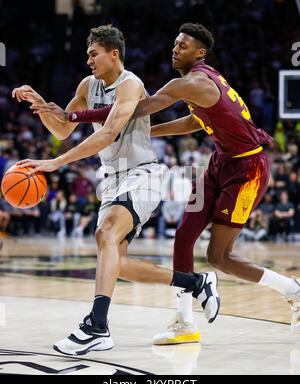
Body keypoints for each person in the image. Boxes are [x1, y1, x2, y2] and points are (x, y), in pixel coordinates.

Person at [36, 23, 300, 341]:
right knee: (183, 237)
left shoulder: (191, 81)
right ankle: (186, 322)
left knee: (220, 257)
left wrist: (74, 117)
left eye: (182, 45)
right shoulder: (199, 80)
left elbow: (141, 108)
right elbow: (194, 121)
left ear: (199, 52)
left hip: (249, 169)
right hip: (219, 164)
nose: (175, 49)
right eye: (175, 43)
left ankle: (291, 289)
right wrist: (149, 131)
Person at [12, 25, 220, 355]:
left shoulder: (131, 84)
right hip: (111, 180)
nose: (88, 60)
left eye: (93, 54)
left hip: (143, 174)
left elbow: (109, 132)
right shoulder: (87, 85)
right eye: (87, 54)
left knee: (105, 234)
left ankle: (97, 327)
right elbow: (62, 128)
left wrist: (56, 162)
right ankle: (196, 283)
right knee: (116, 263)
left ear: (113, 54)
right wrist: (40, 106)